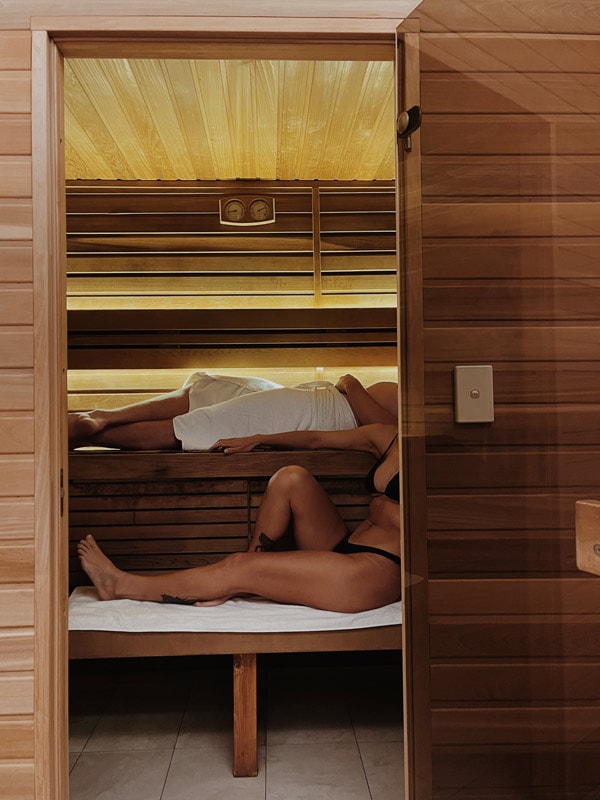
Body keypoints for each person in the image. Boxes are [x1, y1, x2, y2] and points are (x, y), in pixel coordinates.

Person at [77, 423, 401, 613]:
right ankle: (244, 578)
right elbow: (317, 439)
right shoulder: (388, 435)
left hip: (377, 570)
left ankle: (121, 585)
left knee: (236, 566)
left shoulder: (430, 453)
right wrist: (261, 438)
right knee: (291, 477)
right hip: (347, 547)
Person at [68, 371, 398, 451]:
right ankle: (104, 417)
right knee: (210, 388)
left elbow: (388, 434)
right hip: (312, 400)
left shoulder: (411, 437)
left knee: (203, 425)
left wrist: (353, 385)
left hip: (318, 416)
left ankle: (92, 433)